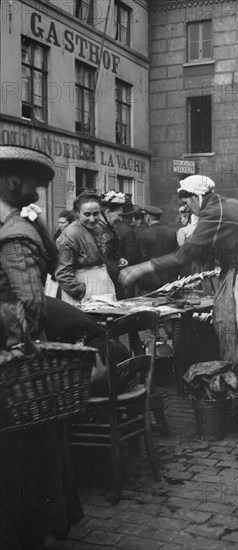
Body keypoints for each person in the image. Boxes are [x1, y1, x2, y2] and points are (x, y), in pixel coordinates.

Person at [119, 175, 238, 370]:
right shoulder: (237, 203)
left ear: (196, 197)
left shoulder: (213, 212)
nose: (187, 208)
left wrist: (139, 268)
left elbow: (182, 256)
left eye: (187, 203)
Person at [0, 146, 83, 549]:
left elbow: (30, 304)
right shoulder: (14, 227)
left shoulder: (16, 235)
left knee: (18, 464)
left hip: (14, 362)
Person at [55, 191, 116, 304]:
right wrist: (81, 291)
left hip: (100, 285)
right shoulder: (70, 235)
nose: (92, 219)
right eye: (87, 214)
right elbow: (62, 273)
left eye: (96, 214)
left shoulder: (97, 228)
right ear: (78, 213)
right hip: (84, 288)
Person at [135, 205, 178, 293]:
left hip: (150, 280)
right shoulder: (171, 232)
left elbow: (144, 259)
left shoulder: (144, 234)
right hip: (169, 278)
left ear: (148, 217)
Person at [100, 191, 129, 300]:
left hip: (113, 275)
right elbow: (101, 258)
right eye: (119, 215)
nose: (121, 219)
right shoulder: (100, 231)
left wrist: (118, 260)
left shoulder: (110, 228)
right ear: (107, 212)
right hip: (106, 279)